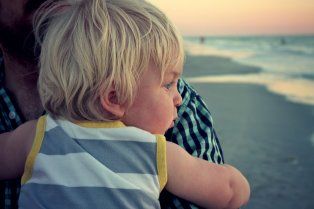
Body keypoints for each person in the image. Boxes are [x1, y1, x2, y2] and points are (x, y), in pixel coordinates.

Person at [0, 0, 250, 208]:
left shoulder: (38, 135)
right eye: (167, 85)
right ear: (114, 98)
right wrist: (239, 184)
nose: (179, 97)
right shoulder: (156, 153)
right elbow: (228, 192)